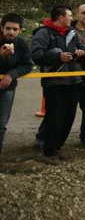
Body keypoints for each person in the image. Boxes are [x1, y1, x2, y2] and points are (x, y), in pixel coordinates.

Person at [34, 4, 85, 150]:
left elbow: (84, 48)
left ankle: (58, 147)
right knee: (54, 116)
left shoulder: (73, 33)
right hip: (55, 83)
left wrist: (81, 51)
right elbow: (36, 55)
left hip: (76, 81)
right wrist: (57, 56)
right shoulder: (44, 33)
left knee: (70, 117)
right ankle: (48, 148)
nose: (71, 18)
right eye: (69, 16)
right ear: (61, 17)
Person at [0, 14, 33, 156]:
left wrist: (11, 74)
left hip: (7, 88)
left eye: (15, 29)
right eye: (8, 28)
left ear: (20, 30)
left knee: (1, 124)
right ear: (2, 28)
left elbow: (27, 65)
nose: (11, 32)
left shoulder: (21, 44)